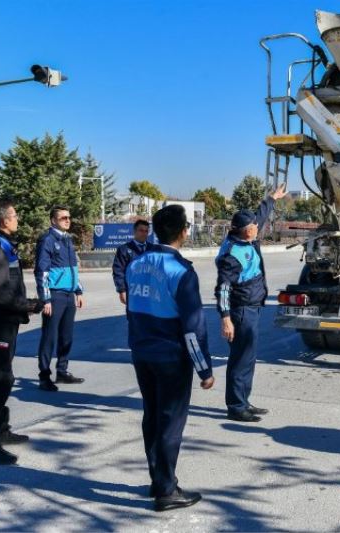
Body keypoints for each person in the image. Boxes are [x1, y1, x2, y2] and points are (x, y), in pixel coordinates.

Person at [126, 204, 214, 512]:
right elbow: (193, 328)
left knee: (152, 416)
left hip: (141, 352)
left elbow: (131, 312)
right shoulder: (181, 271)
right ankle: (166, 490)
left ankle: (158, 478)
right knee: (170, 422)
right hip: (170, 356)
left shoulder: (134, 264)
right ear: (183, 232)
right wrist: (204, 368)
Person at [0, 198, 44, 464]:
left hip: (5, 321)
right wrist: (32, 305)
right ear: (4, 220)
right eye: (14, 215)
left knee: (2, 376)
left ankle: (0, 429)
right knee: (0, 379)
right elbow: (1, 294)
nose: (17, 219)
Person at [216, 184, 287, 422]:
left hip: (252, 309)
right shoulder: (233, 255)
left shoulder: (247, 240)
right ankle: (236, 406)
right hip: (241, 311)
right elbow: (223, 288)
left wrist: (272, 198)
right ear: (244, 231)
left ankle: (244, 400)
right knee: (240, 359)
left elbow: (260, 216)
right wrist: (226, 318)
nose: (258, 227)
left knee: (248, 358)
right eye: (253, 227)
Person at [34, 206, 85, 391]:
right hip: (55, 295)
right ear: (53, 221)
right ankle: (44, 376)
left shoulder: (67, 240)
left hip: (68, 295)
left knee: (66, 336)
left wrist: (78, 291)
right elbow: (42, 272)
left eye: (69, 217)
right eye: (63, 218)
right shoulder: (47, 240)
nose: (67, 220)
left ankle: (62, 371)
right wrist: (45, 299)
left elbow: (73, 269)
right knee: (49, 337)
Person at [112, 219, 151, 304]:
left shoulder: (152, 249)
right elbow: (118, 271)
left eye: (146, 231)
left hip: (151, 292)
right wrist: (122, 290)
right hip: (132, 292)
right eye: (141, 230)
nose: (144, 233)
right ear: (134, 231)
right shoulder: (124, 249)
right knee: (134, 316)